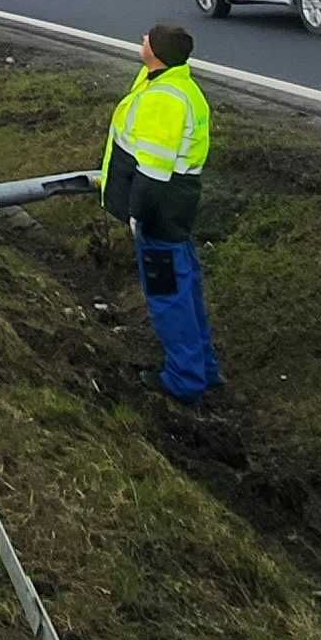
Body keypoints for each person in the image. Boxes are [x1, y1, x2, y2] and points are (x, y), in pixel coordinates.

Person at [98, 20, 220, 400]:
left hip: (159, 209)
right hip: (174, 207)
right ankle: (203, 367)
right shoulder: (168, 80)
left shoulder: (164, 98)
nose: (142, 40)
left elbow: (152, 171)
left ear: (157, 53)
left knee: (168, 292)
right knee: (184, 284)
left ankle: (184, 379)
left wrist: (137, 215)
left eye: (147, 39)